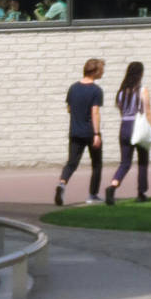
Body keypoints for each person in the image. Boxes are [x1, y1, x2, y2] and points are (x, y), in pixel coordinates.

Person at [53, 57, 105, 205]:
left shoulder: (73, 88)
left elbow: (69, 108)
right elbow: (95, 112)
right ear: (94, 72)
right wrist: (97, 134)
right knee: (96, 164)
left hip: (75, 131)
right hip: (89, 132)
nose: (102, 73)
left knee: (71, 163)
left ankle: (62, 183)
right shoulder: (96, 91)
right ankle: (93, 195)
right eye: (101, 70)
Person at [105, 60, 151, 203]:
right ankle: (141, 193)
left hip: (124, 126)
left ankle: (113, 185)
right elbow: (147, 112)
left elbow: (122, 111)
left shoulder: (122, 92)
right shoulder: (142, 90)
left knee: (125, 162)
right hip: (138, 127)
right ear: (140, 74)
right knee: (142, 162)